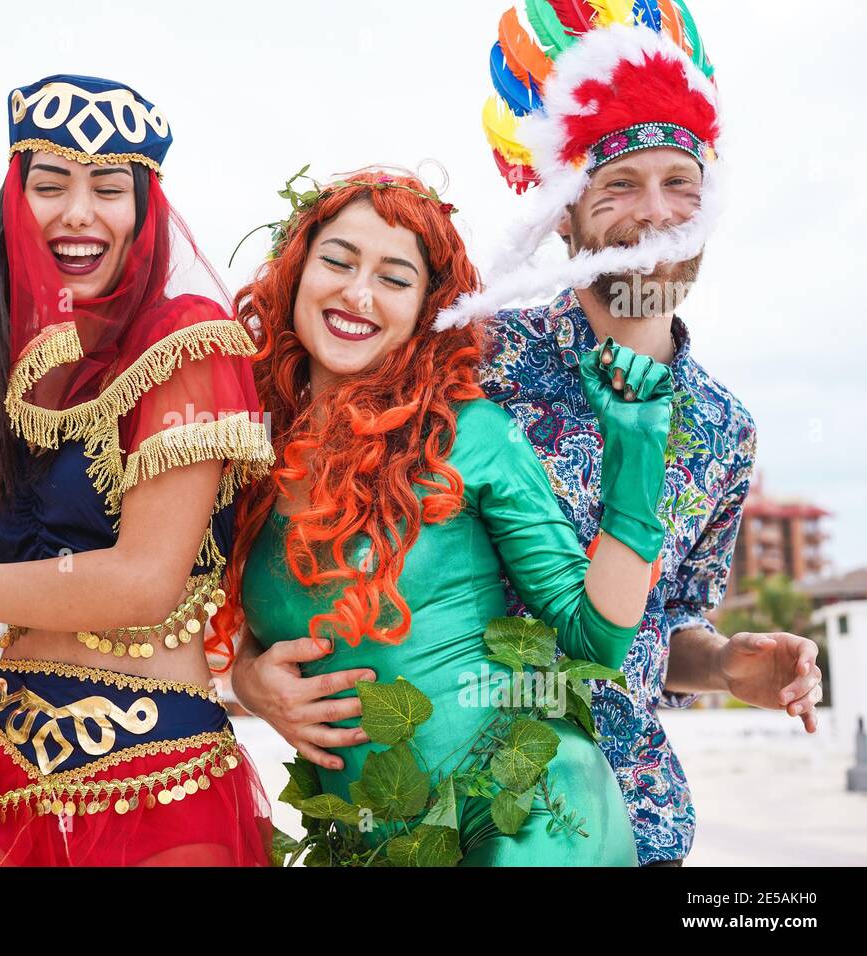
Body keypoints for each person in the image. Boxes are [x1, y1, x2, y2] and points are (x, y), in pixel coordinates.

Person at [234, 1, 823, 866]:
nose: (654, 212)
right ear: (562, 213)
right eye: (618, 185)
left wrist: (730, 664)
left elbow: (652, 634)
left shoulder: (725, 431)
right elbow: (301, 516)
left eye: (679, 183)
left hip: (621, 813)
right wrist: (251, 671)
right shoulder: (466, 362)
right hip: (418, 813)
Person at [0, 75, 276, 866]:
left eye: (108, 187)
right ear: (14, 202)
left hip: (157, 769)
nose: (77, 211)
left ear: (143, 211)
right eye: (50, 183)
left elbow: (143, 581)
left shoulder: (184, 344)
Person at [216, 166, 673, 864]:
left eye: (395, 279)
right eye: (337, 261)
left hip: (526, 813)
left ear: (430, 310)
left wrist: (635, 460)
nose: (358, 293)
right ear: (294, 273)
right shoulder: (240, 447)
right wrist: (247, 675)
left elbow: (593, 641)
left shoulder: (472, 434)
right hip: (368, 841)